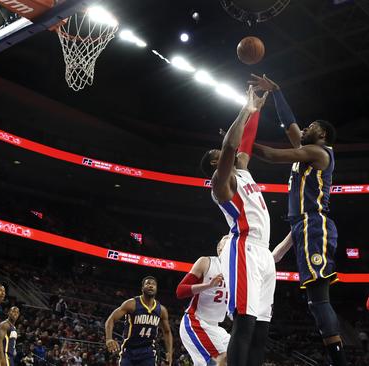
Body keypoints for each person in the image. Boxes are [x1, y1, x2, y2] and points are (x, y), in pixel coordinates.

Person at [249, 74, 346, 365]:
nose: (304, 128)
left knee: (319, 300)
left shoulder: (317, 152)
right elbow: (290, 123)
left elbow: (270, 154)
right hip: (302, 226)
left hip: (314, 225)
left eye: (312, 127)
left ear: (323, 135)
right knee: (314, 302)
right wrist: (277, 91)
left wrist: (240, 141)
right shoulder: (306, 150)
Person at [199, 86, 274, 366]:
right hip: (243, 248)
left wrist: (255, 110)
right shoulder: (221, 183)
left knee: (261, 329)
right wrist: (245, 108)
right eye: (216, 153)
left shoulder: (241, 169)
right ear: (216, 164)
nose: (221, 150)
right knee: (244, 324)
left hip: (263, 254)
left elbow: (244, 143)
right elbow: (231, 145)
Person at [176, 236, 230, 366]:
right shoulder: (206, 262)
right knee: (220, 362)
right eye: (227, 241)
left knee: (239, 356)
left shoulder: (237, 272)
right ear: (219, 248)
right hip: (196, 322)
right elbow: (180, 291)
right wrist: (208, 285)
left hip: (215, 327)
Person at [105, 277, 173, 366]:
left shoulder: (161, 310)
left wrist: (169, 352)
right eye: (148, 283)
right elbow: (111, 319)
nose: (151, 286)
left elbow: (167, 332)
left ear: (156, 289)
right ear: (142, 288)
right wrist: (108, 339)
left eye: (153, 284)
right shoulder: (131, 304)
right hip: (128, 350)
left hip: (148, 352)